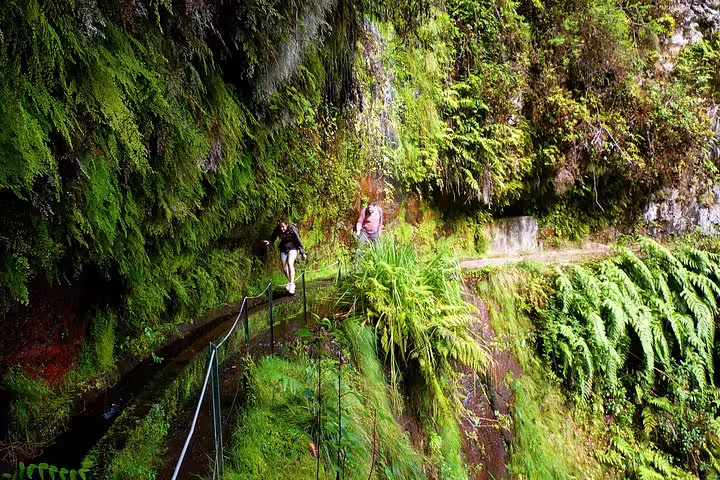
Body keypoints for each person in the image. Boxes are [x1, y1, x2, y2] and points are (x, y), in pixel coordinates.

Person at [264, 220, 307, 294]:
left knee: (290, 263)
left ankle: (292, 285)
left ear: (287, 225)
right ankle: (291, 282)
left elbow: (298, 240)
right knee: (284, 267)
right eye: (280, 227)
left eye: (283, 227)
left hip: (293, 247)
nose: (281, 228)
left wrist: (302, 252)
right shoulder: (278, 229)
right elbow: (273, 237)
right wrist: (269, 242)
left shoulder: (292, 229)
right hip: (283, 248)